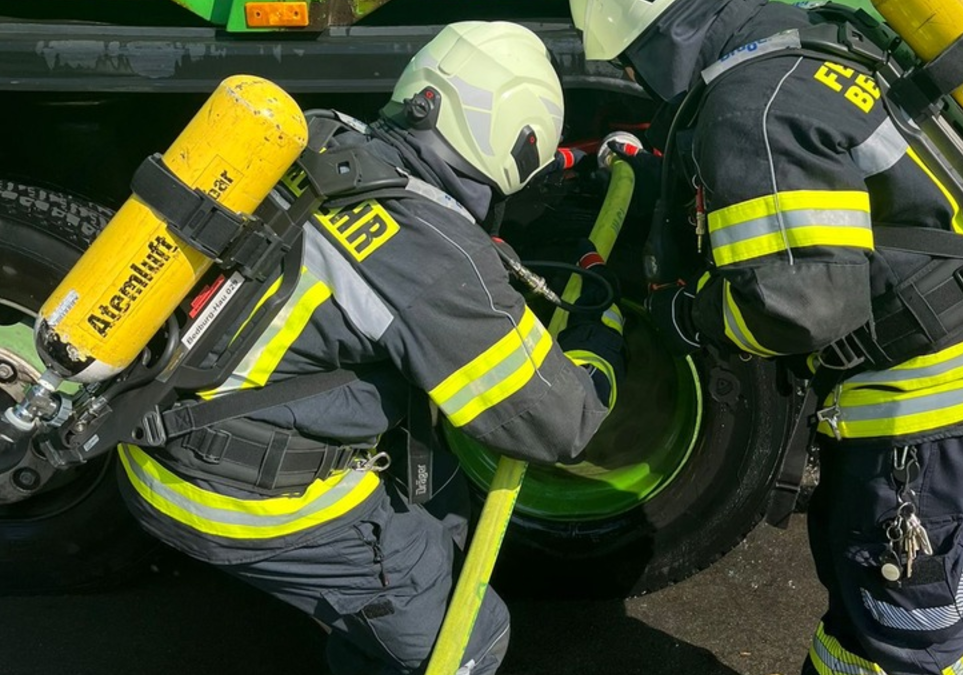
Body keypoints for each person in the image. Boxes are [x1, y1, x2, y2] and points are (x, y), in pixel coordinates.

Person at [571, 1, 963, 674]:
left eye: (633, 58)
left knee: (908, 620)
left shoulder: (749, 110)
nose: (635, 74)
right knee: (861, 584)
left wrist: (693, 317)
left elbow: (799, 309)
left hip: (929, 392)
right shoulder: (804, 43)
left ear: (664, 37)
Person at [115, 21, 624, 675]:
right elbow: (554, 423)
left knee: (441, 494)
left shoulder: (323, 137)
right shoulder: (432, 257)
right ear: (520, 145)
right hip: (231, 492)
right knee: (466, 639)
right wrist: (600, 339)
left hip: (149, 427)